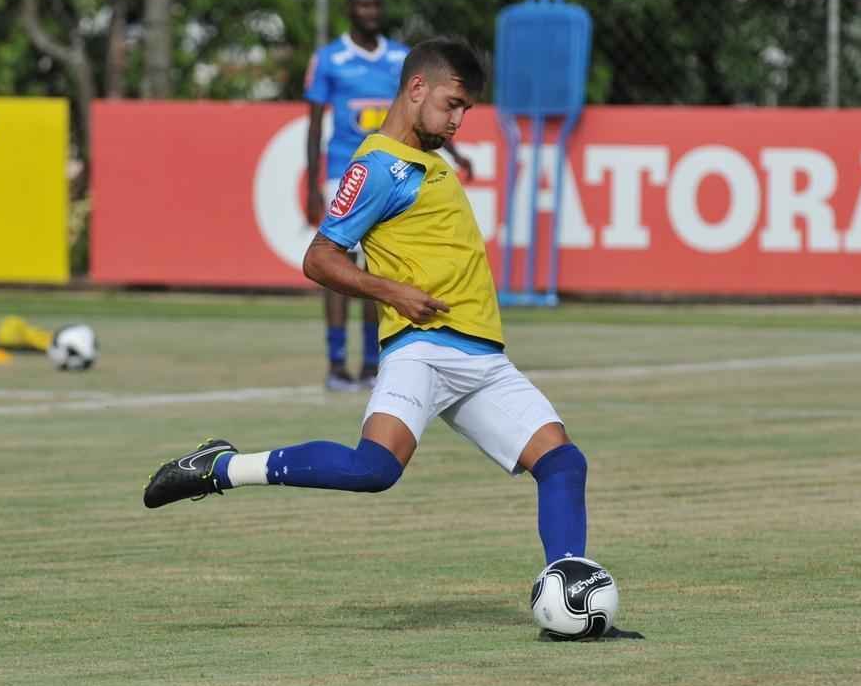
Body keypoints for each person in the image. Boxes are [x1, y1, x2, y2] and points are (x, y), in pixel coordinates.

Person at [143, 40, 616, 636]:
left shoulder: (427, 160)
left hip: (482, 357)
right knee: (374, 469)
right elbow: (319, 258)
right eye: (452, 104)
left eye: (466, 110)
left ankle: (569, 597)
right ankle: (222, 467)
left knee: (563, 463)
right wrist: (394, 293)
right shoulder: (377, 168)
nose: (458, 120)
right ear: (417, 88)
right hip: (424, 347)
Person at [304, 0, 472, 391]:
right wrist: (311, 184)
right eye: (363, 4)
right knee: (339, 263)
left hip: (393, 172)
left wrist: (454, 152)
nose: (371, 12)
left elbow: (424, 113)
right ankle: (336, 362)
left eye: (377, 4)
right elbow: (314, 124)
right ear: (349, 8)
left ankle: (370, 363)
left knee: (375, 268)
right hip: (346, 171)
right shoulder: (329, 59)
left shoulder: (400, 58)